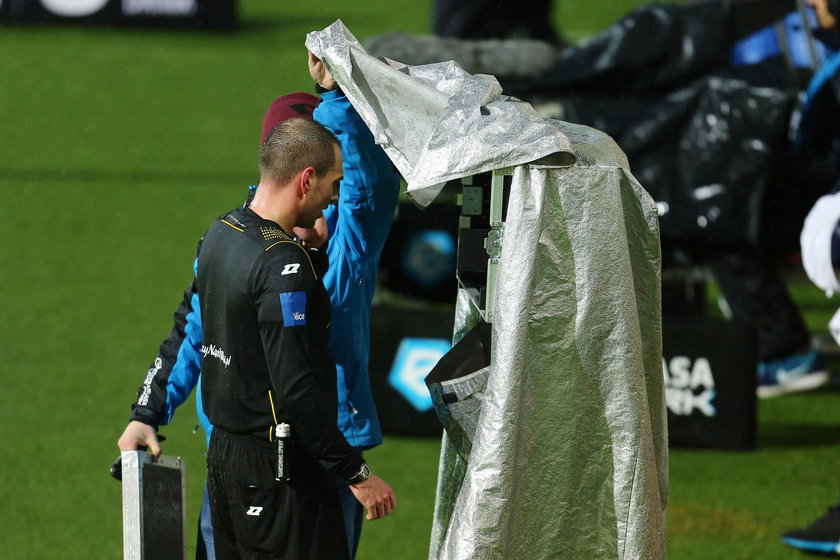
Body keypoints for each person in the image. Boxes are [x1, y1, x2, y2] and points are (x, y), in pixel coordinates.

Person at [118, 52, 401, 559]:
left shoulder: (347, 240)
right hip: (244, 454)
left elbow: (370, 190)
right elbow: (196, 327)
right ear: (302, 174)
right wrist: (149, 410)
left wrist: (336, 98)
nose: (336, 195)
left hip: (324, 454)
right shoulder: (242, 242)